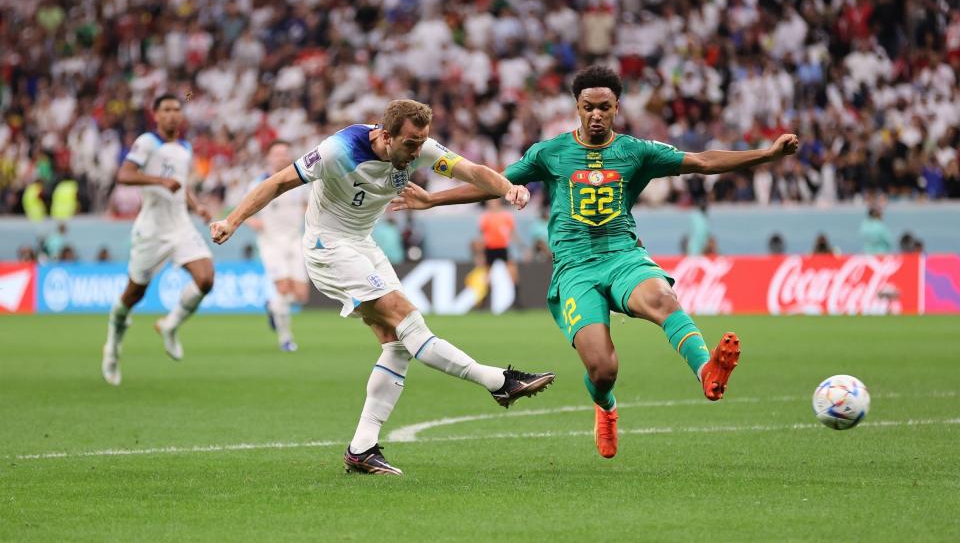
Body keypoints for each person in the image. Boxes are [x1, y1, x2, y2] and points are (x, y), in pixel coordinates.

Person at [392, 66, 801, 459]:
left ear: (617, 108)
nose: (596, 114)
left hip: (623, 256)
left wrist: (767, 154)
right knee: (603, 370)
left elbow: (704, 161)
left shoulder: (635, 151)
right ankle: (605, 407)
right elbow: (493, 183)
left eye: (604, 107)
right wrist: (432, 199)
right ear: (577, 107)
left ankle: (705, 371)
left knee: (663, 299)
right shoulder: (551, 153)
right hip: (575, 270)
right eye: (588, 106)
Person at [210, 99, 555, 475]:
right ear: (385, 135)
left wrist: (508, 189)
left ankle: (362, 449)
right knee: (408, 320)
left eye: (421, 142)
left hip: (362, 244)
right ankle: (498, 381)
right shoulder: (337, 151)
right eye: (410, 143)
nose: (417, 151)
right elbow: (277, 182)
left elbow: (470, 170)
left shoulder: (418, 149)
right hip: (328, 246)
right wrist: (232, 220)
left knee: (397, 344)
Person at [101, 94, 215, 387]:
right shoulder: (147, 142)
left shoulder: (185, 147)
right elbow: (124, 174)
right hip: (151, 230)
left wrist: (196, 205)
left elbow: (181, 183)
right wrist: (160, 182)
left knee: (206, 279)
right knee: (133, 295)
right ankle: (112, 346)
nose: (173, 115)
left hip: (180, 225)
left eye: (177, 109)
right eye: (166, 110)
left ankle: (169, 325)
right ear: (156, 115)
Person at [246, 140, 309, 352]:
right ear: (269, 157)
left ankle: (272, 307)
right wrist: (252, 221)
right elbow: (244, 208)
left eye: (285, 153)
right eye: (277, 153)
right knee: (282, 289)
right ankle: (286, 339)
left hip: (295, 240)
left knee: (300, 295)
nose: (281, 157)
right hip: (271, 242)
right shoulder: (259, 182)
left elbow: (308, 205)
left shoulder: (300, 182)